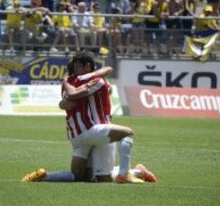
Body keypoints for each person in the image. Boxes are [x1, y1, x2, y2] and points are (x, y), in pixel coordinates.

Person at [22, 55, 157, 183]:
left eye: (77, 67)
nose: (76, 71)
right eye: (74, 68)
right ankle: (127, 174)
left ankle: (45, 177)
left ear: (86, 67)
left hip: (82, 134)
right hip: (89, 131)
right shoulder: (89, 82)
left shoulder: (74, 83)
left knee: (87, 177)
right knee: (127, 133)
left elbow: (68, 100)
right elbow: (74, 95)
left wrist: (64, 96)